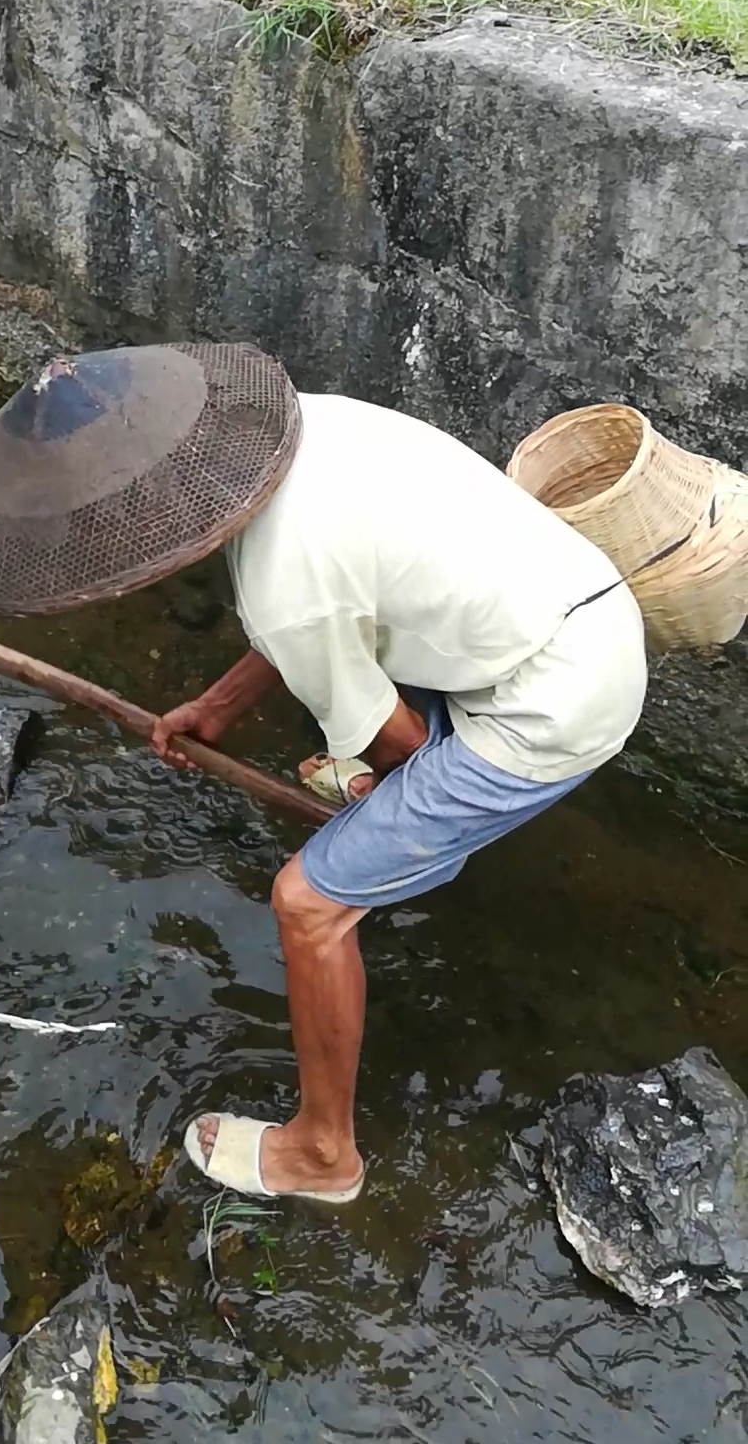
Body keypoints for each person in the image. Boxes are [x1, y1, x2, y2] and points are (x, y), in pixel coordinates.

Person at [150, 392, 647, 1205]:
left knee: (308, 905)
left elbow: (396, 736)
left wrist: (405, 808)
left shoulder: (285, 587)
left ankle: (323, 1155)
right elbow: (318, 606)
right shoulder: (308, 422)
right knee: (358, 682)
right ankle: (397, 822)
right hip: (581, 610)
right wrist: (218, 709)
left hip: (549, 712)